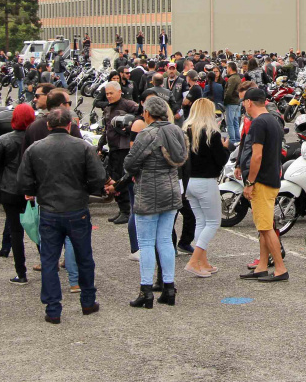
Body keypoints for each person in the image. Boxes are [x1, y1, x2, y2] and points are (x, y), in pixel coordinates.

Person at [18, 108, 106, 324]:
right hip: (77, 209)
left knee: (49, 260)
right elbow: (98, 178)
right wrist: (84, 189)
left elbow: (23, 181)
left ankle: (53, 308)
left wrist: (38, 190)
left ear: (48, 126)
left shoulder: (34, 149)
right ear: (70, 125)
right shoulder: (83, 147)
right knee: (84, 257)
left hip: (49, 210)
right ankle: (87, 301)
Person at [121, 97, 187, 308]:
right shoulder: (176, 131)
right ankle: (169, 287)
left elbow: (130, 162)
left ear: (148, 114)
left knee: (147, 242)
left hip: (149, 189)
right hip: (171, 188)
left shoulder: (147, 133)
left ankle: (146, 290)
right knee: (166, 240)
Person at [235, 88, 288, 282]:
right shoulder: (273, 120)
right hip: (272, 177)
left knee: (265, 228)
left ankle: (280, 268)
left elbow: (257, 156)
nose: (243, 105)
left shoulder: (258, 123)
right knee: (264, 226)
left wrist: (250, 182)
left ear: (249, 102)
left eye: (243, 102)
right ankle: (262, 265)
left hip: (262, 181)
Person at [0, 104, 35, 284]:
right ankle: (49, 265)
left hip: (10, 189)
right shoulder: (36, 139)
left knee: (16, 231)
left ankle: (21, 273)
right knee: (40, 228)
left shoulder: (4, 140)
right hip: (32, 189)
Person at [182, 99, 229, 277]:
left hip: (189, 182)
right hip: (206, 181)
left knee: (201, 221)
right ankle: (194, 261)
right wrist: (225, 148)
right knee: (213, 222)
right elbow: (221, 160)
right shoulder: (211, 133)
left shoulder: (185, 130)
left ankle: (203, 261)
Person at [98, 82, 140, 223]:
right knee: (114, 178)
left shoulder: (128, 104)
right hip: (113, 148)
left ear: (119, 92)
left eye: (111, 93)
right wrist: (100, 144)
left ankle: (127, 211)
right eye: (107, 93)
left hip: (124, 148)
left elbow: (141, 116)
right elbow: (107, 127)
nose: (109, 96)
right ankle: (122, 209)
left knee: (123, 178)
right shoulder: (108, 108)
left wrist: (128, 128)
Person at [223, 62, 243, 145]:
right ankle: (237, 139)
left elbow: (229, 92)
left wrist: (225, 102)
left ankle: (232, 140)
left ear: (230, 68)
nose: (226, 70)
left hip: (231, 103)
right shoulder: (238, 78)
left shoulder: (232, 79)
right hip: (237, 102)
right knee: (235, 122)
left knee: (230, 123)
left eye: (227, 68)